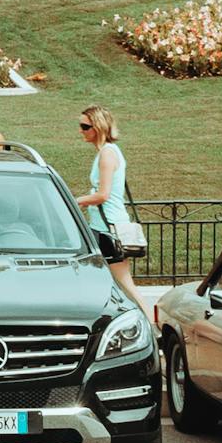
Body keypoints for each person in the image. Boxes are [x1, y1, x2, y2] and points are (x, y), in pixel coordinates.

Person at [72, 104, 142, 308]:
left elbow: (103, 194)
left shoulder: (107, 154)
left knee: (125, 284)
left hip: (108, 228)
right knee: (109, 282)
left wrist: (77, 201)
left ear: (98, 127)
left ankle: (154, 328)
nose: (81, 131)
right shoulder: (107, 152)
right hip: (102, 226)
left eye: (85, 126)